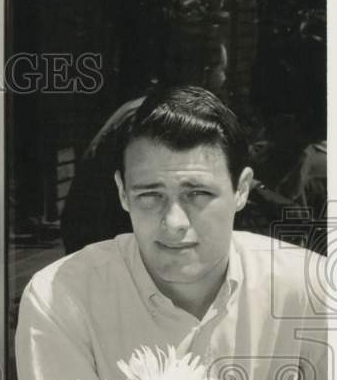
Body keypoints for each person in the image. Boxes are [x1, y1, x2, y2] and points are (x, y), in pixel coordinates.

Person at [16, 85, 329, 380]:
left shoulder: (312, 288)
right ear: (122, 192)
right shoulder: (61, 299)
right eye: (151, 195)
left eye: (198, 193)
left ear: (241, 189)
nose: (174, 223)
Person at [60, 41, 229, 254]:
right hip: (103, 239)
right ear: (205, 72)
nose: (224, 79)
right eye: (222, 70)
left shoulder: (157, 109)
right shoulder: (152, 118)